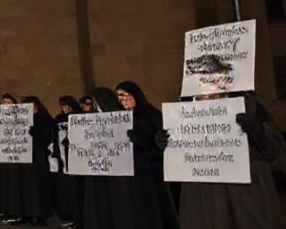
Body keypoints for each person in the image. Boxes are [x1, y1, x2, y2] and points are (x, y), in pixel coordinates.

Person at [156, 92, 284, 229]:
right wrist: (168, 145)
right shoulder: (185, 114)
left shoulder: (249, 107)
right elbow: (180, 162)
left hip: (244, 201)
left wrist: (260, 133)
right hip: (200, 202)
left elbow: (276, 150)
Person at [116, 81, 179, 229]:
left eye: (126, 95)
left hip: (152, 172)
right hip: (133, 174)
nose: (123, 100)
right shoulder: (119, 119)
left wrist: (144, 141)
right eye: (119, 96)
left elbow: (161, 145)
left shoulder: (151, 115)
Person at [81, 87, 135, 229]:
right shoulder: (89, 120)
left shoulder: (121, 119)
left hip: (117, 172)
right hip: (97, 171)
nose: (96, 106)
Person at [0, 95, 54, 226]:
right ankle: (24, 214)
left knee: (37, 187)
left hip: (37, 158)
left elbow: (46, 139)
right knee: (24, 187)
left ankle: (39, 215)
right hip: (23, 159)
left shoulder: (44, 120)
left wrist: (33, 132)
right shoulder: (19, 120)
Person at [52, 95, 83, 228]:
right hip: (63, 158)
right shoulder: (59, 119)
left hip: (76, 159)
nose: (65, 108)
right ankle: (69, 215)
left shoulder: (80, 117)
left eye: (66, 105)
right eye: (62, 105)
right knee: (66, 190)